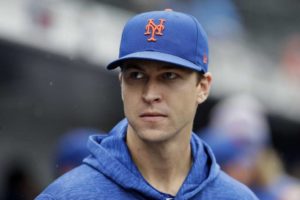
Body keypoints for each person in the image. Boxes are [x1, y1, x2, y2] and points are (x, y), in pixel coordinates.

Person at [35, 9, 258, 199]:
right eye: (137, 75)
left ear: (202, 87)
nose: (150, 94)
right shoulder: (67, 195)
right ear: (121, 83)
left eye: (169, 76)